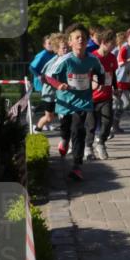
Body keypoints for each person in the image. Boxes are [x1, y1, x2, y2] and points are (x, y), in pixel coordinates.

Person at [46, 23, 104, 182]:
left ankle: (77, 166)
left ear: (87, 42)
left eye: (84, 38)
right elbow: (49, 76)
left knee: (78, 130)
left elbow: (101, 72)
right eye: (77, 38)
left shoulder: (92, 59)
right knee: (66, 129)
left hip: (83, 102)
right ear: (70, 42)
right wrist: (59, 85)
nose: (81, 41)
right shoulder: (64, 60)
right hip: (65, 102)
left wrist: (98, 82)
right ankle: (64, 140)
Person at [86, 29, 118, 161]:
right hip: (92, 97)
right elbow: (87, 75)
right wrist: (93, 82)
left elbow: (113, 73)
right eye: (112, 44)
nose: (115, 46)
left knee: (107, 121)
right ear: (104, 43)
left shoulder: (111, 57)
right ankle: (88, 147)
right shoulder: (93, 57)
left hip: (106, 96)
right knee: (91, 125)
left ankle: (101, 143)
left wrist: (116, 88)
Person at [36, 33, 68, 133]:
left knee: (65, 116)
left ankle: (66, 140)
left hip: (62, 94)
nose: (66, 50)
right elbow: (44, 78)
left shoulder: (69, 59)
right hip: (50, 94)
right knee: (49, 118)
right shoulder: (53, 62)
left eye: (67, 48)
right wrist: (56, 84)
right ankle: (37, 130)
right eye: (63, 48)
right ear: (57, 49)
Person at [29, 35, 56, 132]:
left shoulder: (55, 54)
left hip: (52, 84)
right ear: (44, 45)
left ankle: (46, 122)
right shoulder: (42, 54)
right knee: (47, 102)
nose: (51, 45)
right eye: (49, 43)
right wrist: (39, 76)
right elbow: (31, 67)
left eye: (52, 43)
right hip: (42, 83)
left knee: (51, 104)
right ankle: (35, 110)